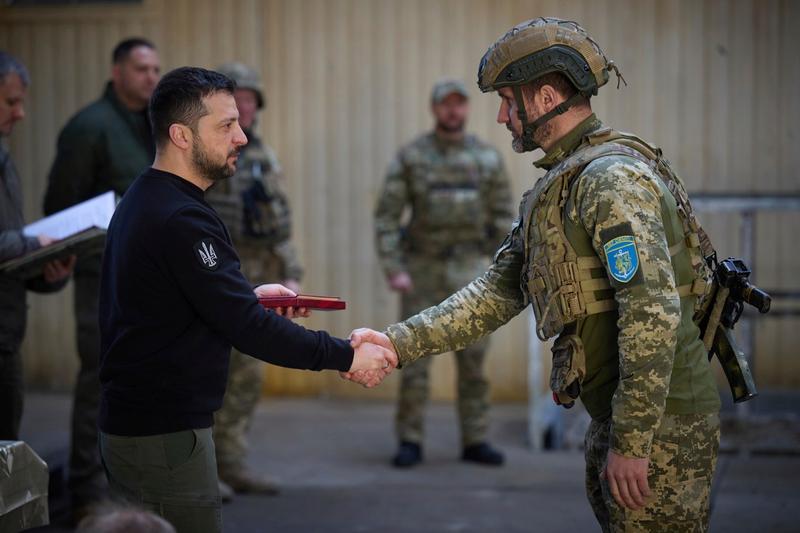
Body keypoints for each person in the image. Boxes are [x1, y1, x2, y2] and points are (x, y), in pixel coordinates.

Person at [348, 17, 722, 532]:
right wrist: (396, 342)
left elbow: (651, 314)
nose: (501, 117)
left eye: (507, 100)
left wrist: (634, 442)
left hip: (662, 424)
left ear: (545, 97)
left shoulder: (609, 180)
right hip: (621, 415)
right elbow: (496, 292)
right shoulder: (562, 183)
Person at [97, 66, 395, 533]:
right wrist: (346, 355)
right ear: (181, 135)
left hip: (148, 427)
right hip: (163, 437)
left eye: (238, 122)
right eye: (225, 125)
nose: (241, 136)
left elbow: (178, 302)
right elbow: (247, 329)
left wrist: (247, 297)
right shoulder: (180, 217)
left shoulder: (149, 198)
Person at [42, 37, 161, 518]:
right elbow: (59, 208)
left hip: (148, 277)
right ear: (117, 72)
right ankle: (86, 490)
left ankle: (129, 486)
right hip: (100, 275)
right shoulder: (90, 127)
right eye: (141, 69)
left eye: (156, 68)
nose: (151, 77)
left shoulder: (153, 125)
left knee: (143, 378)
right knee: (99, 378)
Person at [375, 79, 513, 468]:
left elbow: (505, 216)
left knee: (474, 362)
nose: (453, 111)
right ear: (434, 109)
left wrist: (500, 268)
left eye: (459, 104)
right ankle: (410, 440)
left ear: (467, 109)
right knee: (412, 358)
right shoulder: (412, 158)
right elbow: (387, 216)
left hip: (471, 268)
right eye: (445, 105)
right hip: (422, 268)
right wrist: (394, 268)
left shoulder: (487, 158)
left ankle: (476, 439)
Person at [206, 62, 302, 497]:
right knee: (212, 377)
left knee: (246, 380)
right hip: (217, 278)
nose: (245, 106)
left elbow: (280, 222)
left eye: (250, 99)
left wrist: (292, 273)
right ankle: (206, 470)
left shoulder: (261, 155)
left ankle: (232, 463)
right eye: (237, 98)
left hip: (259, 279)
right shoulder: (207, 156)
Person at [0, 51, 75, 441]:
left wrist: (47, 271)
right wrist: (32, 243)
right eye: (11, 102)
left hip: (8, 337)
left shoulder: (4, 157)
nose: (21, 113)